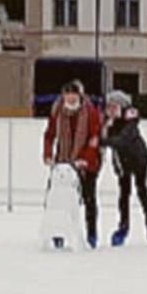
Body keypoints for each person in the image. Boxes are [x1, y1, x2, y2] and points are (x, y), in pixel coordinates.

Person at [43, 81, 105, 248]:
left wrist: (84, 159)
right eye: (67, 95)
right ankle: (57, 232)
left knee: (88, 198)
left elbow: (94, 139)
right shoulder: (57, 110)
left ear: (79, 96)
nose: (70, 98)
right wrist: (48, 155)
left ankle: (91, 234)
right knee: (56, 198)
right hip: (63, 160)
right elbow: (49, 135)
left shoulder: (90, 112)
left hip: (87, 162)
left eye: (74, 95)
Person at [103, 90, 147, 246]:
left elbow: (122, 141)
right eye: (109, 107)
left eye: (114, 107)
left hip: (138, 161)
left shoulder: (130, 122)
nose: (111, 110)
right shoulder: (110, 122)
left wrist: (102, 141)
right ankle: (123, 228)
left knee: (142, 192)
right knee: (124, 195)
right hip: (123, 164)